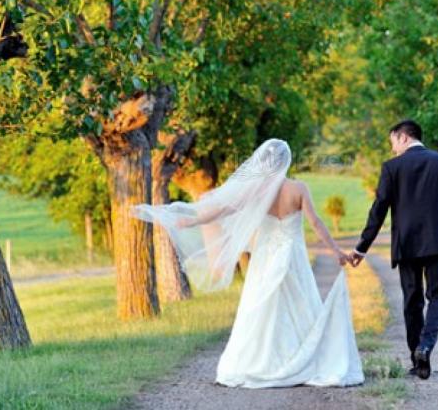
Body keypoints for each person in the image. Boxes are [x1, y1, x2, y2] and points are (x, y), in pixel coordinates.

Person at [130, 138, 364, 388]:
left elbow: (223, 210)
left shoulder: (257, 191)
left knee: (261, 305)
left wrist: (191, 221)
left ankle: (256, 362)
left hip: (265, 256)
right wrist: (337, 252)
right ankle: (301, 356)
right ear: (286, 162)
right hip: (292, 255)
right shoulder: (298, 189)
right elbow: (316, 223)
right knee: (299, 302)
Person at [349, 119, 438, 380]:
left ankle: (417, 361)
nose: (392, 148)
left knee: (412, 301)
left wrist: (362, 248)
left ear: (403, 137)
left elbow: (378, 210)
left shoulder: (392, 168)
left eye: (393, 141)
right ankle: (425, 347)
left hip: (407, 244)